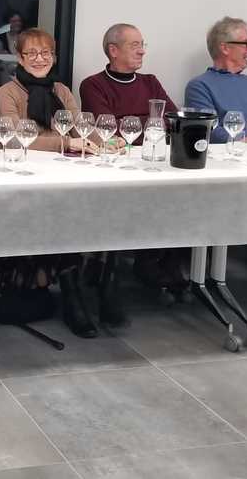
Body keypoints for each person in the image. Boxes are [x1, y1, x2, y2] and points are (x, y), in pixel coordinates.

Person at [0, 28, 111, 337]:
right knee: (57, 216)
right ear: (20, 58)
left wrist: (108, 141)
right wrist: (66, 143)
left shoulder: (61, 90)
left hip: (61, 173)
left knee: (83, 213)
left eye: (45, 53)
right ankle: (74, 297)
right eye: (31, 53)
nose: (39, 59)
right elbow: (16, 138)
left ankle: (90, 289)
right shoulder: (8, 91)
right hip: (22, 176)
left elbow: (80, 125)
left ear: (54, 57)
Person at [79, 23, 186, 301]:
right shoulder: (93, 85)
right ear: (113, 50)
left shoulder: (150, 81)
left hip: (155, 161)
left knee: (181, 194)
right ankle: (134, 264)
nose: (142, 51)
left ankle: (163, 260)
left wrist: (131, 123)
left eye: (142, 44)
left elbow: (174, 119)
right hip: (116, 168)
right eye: (135, 45)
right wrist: (150, 121)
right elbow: (107, 130)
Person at [183, 16, 247, 143]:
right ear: (225, 48)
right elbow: (208, 130)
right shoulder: (200, 86)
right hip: (228, 153)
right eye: (246, 44)